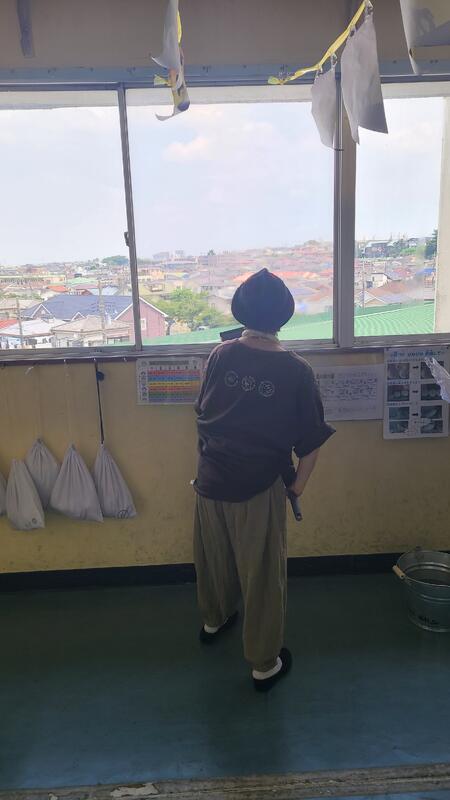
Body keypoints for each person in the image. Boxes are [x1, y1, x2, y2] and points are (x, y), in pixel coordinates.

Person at [193, 268, 335, 691]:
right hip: (259, 485)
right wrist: (297, 488)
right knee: (262, 575)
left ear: (240, 310)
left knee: (213, 559)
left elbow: (203, 412)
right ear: (284, 315)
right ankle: (263, 664)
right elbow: (311, 441)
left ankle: (214, 620)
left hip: (209, 479)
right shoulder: (296, 369)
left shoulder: (219, 356)